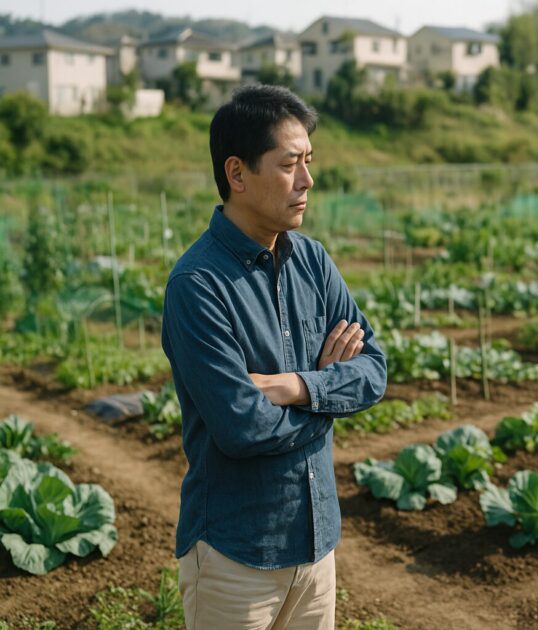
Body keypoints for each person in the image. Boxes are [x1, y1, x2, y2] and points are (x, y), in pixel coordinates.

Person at [161, 84, 387, 629]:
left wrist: (299, 387)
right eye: (290, 165)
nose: (307, 181)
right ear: (237, 174)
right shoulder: (198, 285)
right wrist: (330, 393)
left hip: (317, 545)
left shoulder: (313, 260)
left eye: (309, 161)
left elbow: (374, 369)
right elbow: (242, 428)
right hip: (237, 556)